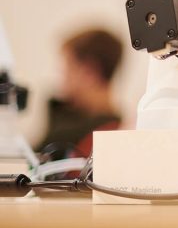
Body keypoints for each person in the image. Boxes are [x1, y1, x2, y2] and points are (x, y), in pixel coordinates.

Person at [37, 28, 123, 160]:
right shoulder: (119, 127)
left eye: (67, 69)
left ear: (89, 72)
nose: (62, 79)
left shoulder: (74, 136)